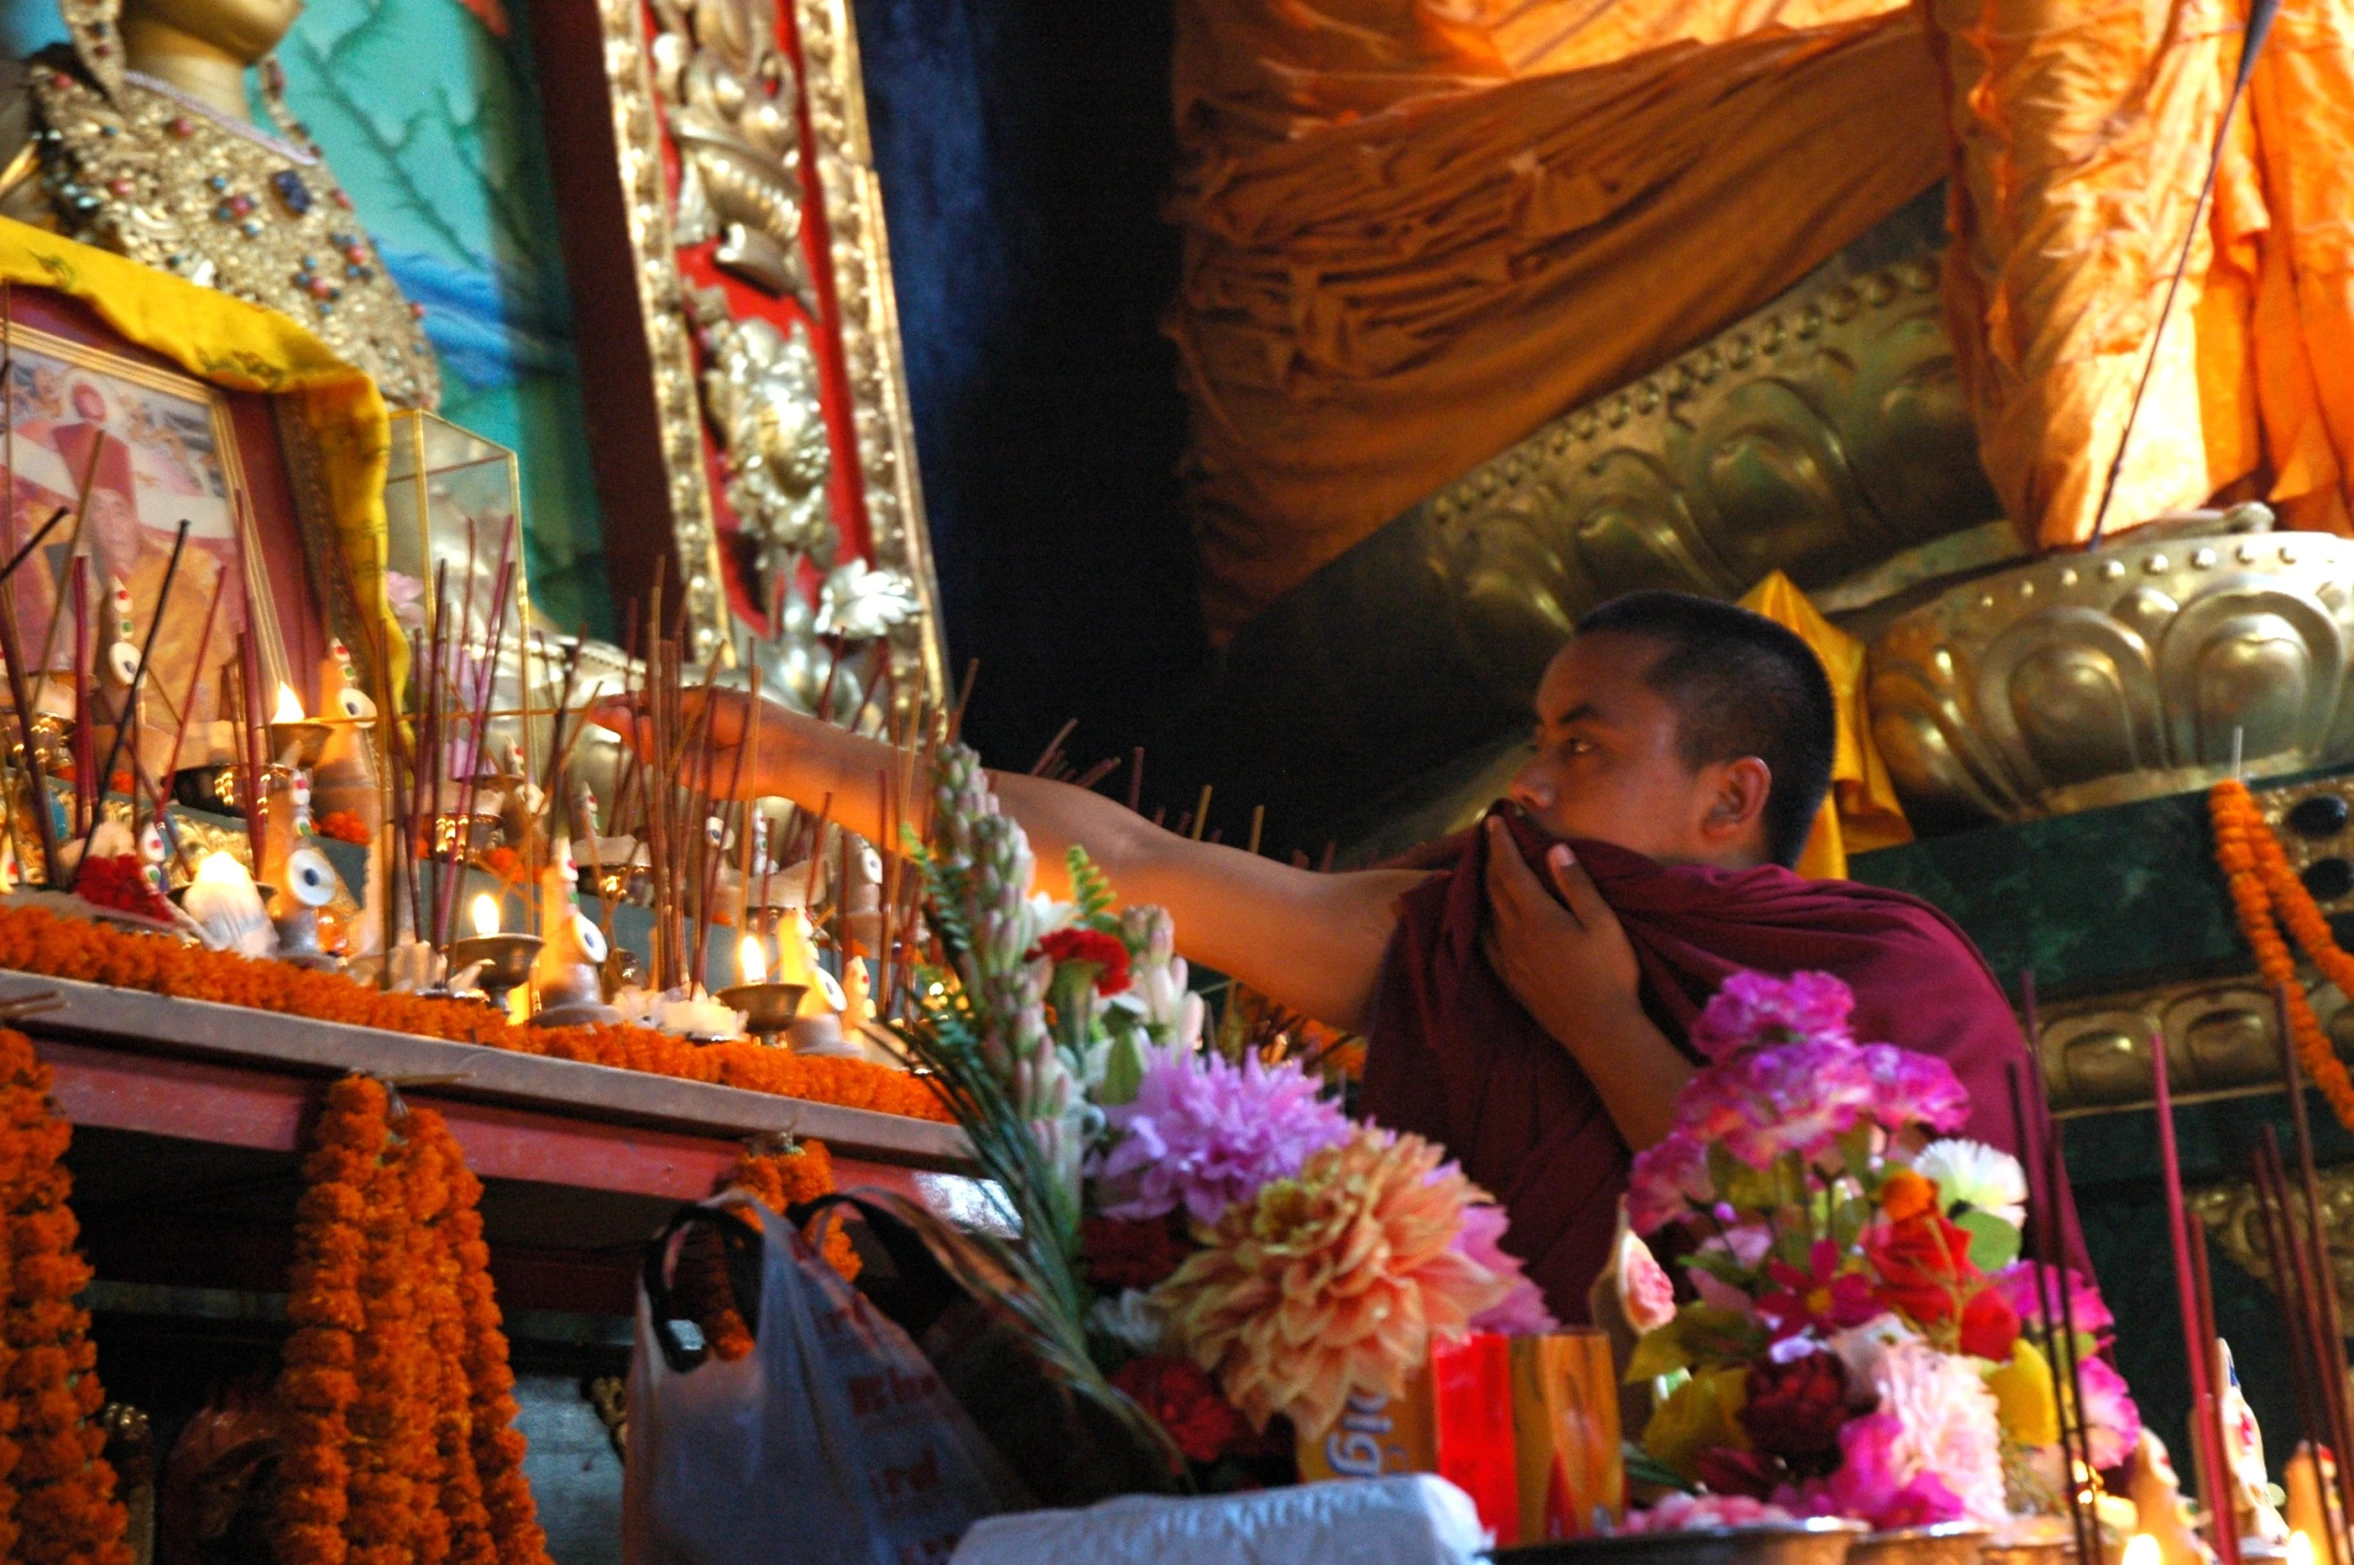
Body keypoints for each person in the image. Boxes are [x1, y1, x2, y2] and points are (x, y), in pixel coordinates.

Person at [596, 590, 2060, 1320]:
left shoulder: (1895, 970)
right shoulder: (1470, 921)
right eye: (1538, 740)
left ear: (1731, 795)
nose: (1533, 785)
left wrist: (1603, 1019)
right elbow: (1150, 865)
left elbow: (1877, 1283)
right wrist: (810, 757)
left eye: (1582, 746)